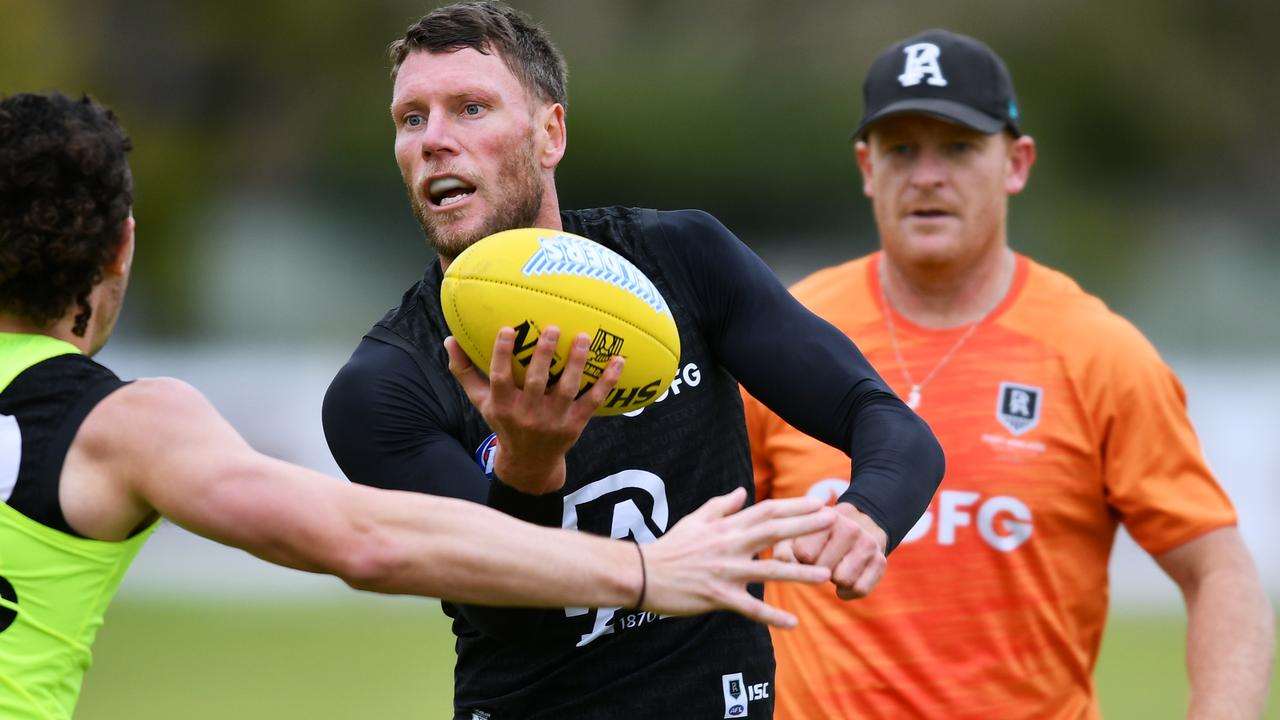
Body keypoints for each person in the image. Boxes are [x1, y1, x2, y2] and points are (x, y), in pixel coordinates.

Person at [0, 91, 853, 720]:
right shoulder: (120, 425)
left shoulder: (682, 252)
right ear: (122, 247)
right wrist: (646, 572)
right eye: (412, 118)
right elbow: (367, 541)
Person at [321, 3, 944, 718]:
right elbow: (510, 615)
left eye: (469, 108)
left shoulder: (680, 262)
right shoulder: (383, 387)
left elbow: (890, 424)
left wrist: (867, 515)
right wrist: (529, 464)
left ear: (550, 133)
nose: (434, 141)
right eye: (412, 119)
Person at [743, 28, 1275, 719]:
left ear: (1016, 163)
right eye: (901, 149)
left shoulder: (1098, 352)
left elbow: (1220, 572)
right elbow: (700, 546)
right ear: (867, 168)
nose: (927, 175)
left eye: (959, 148)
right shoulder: (790, 334)